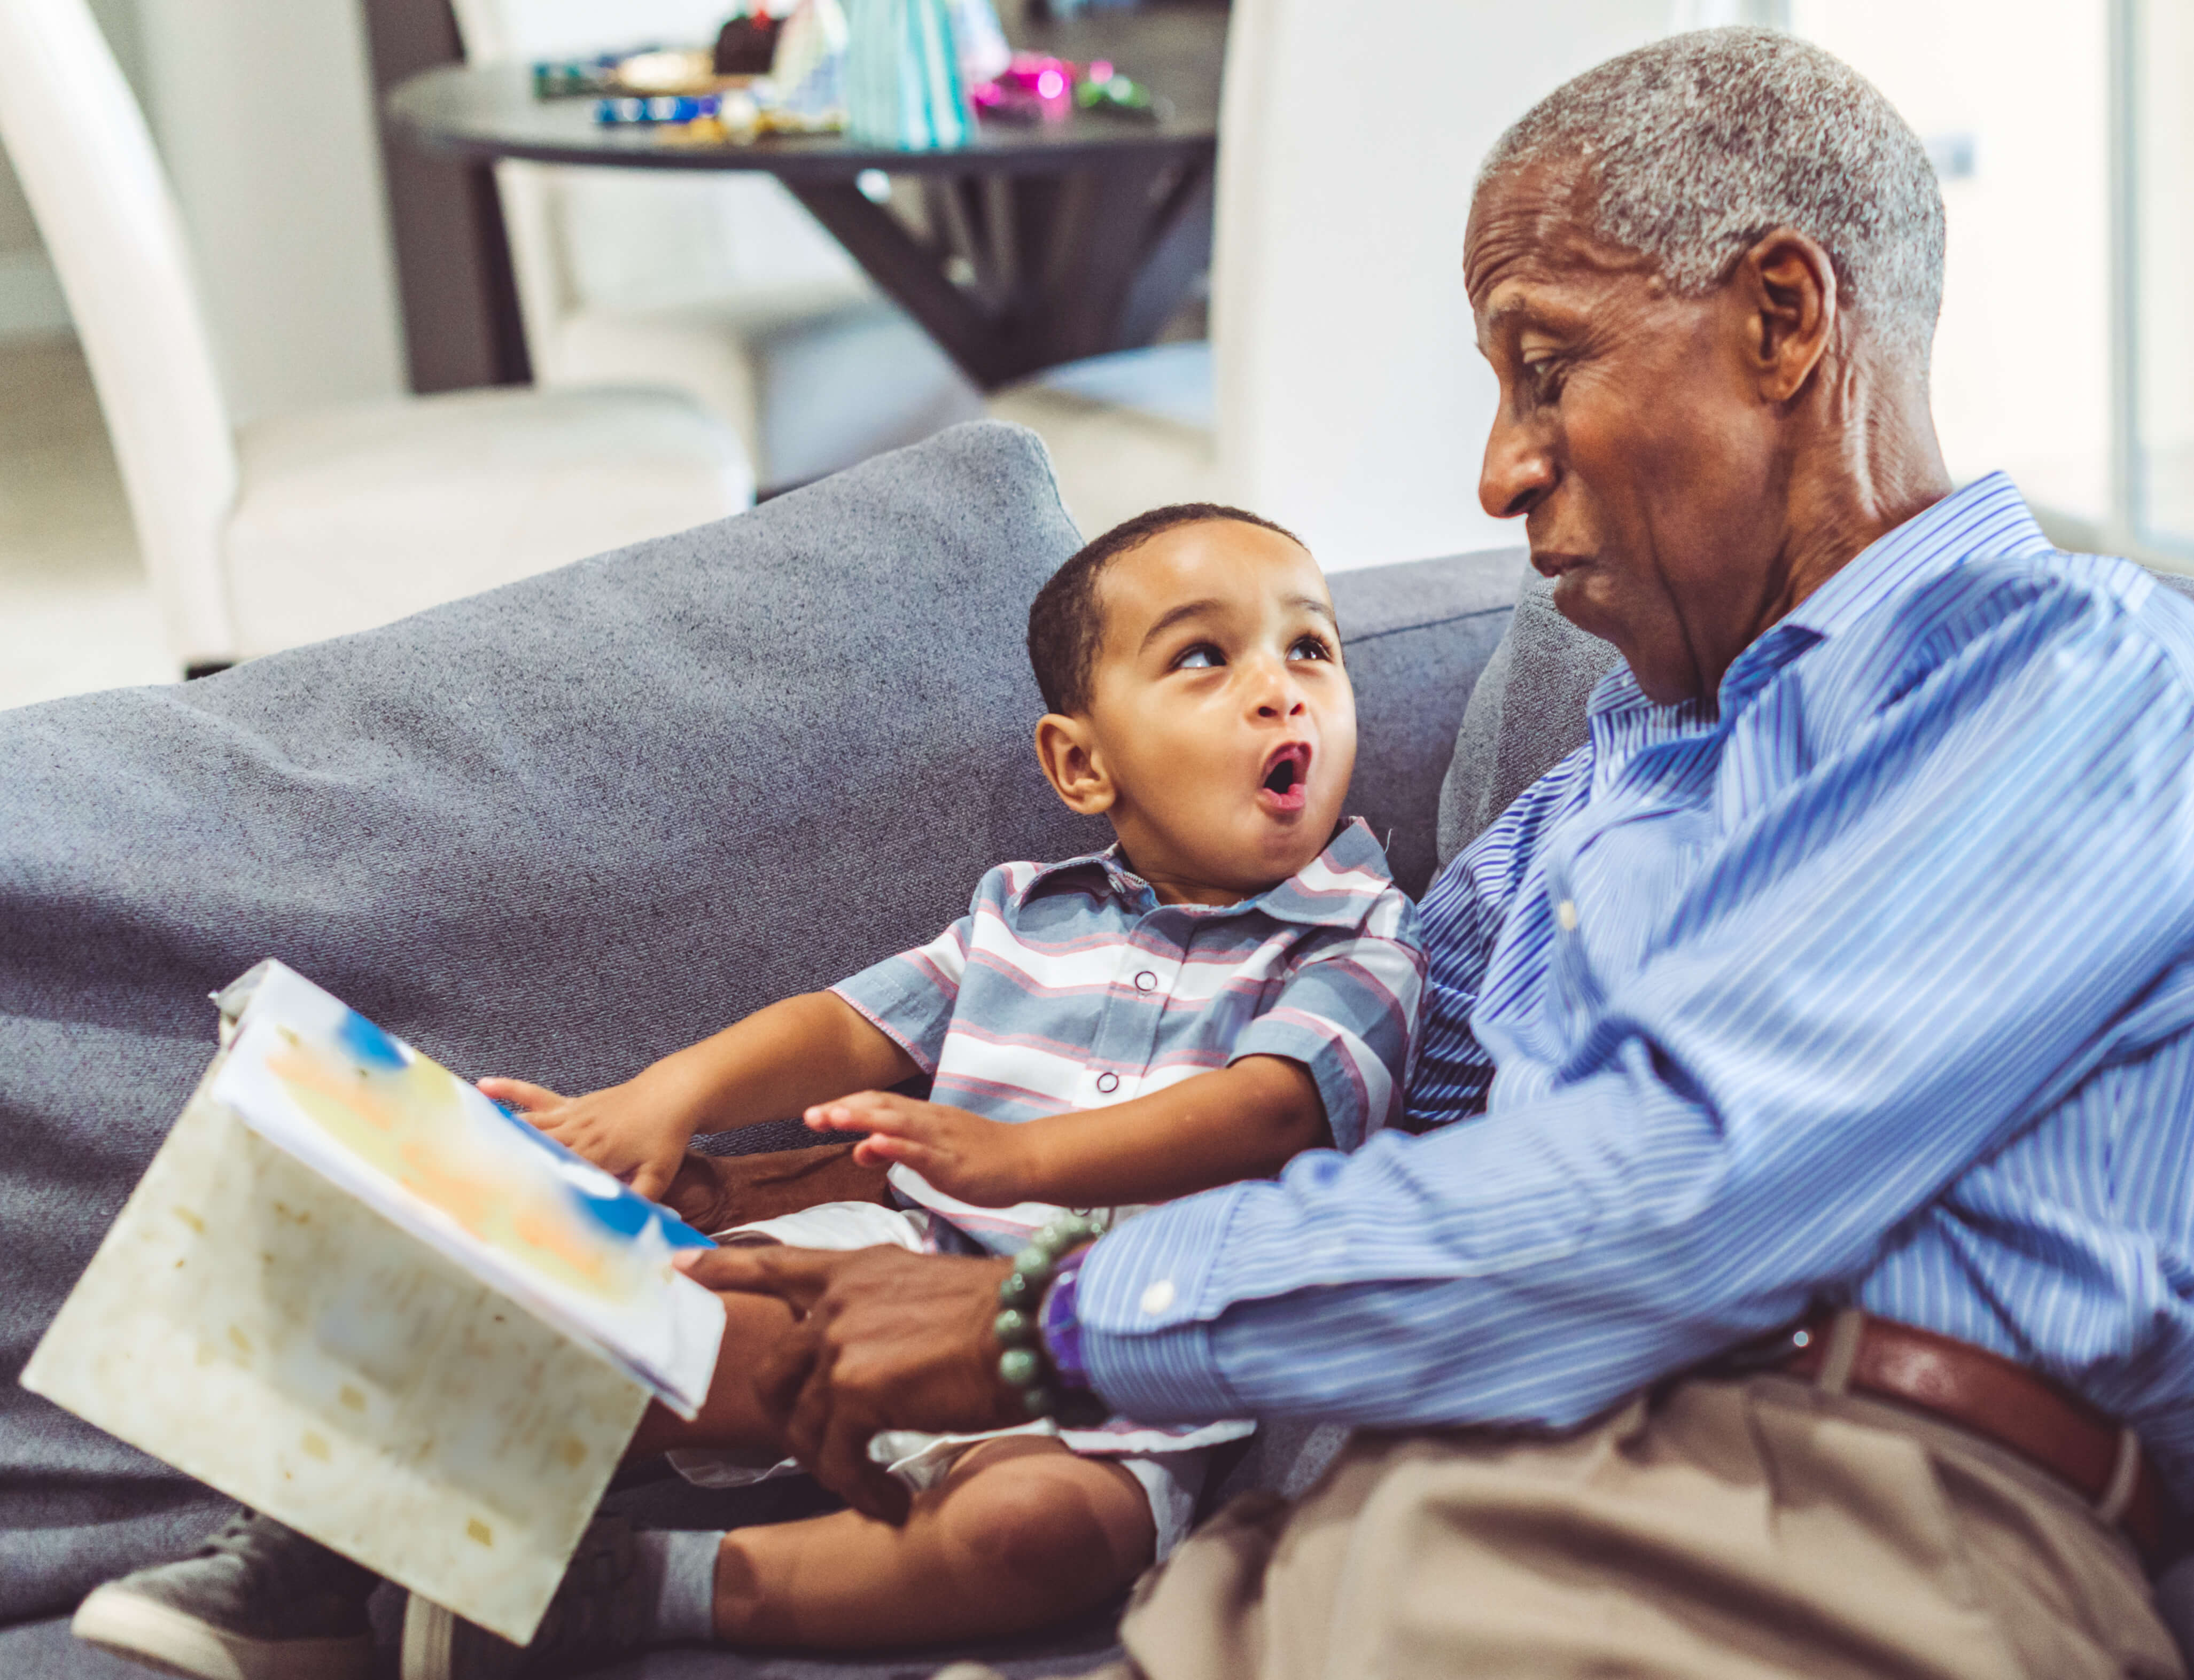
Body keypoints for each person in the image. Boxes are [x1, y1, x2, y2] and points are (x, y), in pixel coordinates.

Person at [667, 27, 2194, 1680]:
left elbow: (1675, 1189)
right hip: (1367, 1522)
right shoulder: (1590, 795)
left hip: (1809, 1519)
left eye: (1547, 368)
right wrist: (793, 1188)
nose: (1496, 470)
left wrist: (1044, 1323)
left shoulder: (2076, 677)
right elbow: (1297, 1099)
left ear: (1782, 319)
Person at [69, 503, 1424, 1680]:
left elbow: (1267, 1113)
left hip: (1113, 1366)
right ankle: (315, 1557)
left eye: (1312, 646)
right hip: (894, 1271)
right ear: (1081, 765)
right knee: (640, 1305)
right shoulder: (1025, 912)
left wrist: (1018, 1161)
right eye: (1206, 656)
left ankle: (624, 1593)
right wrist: (672, 1095)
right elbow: (842, 1025)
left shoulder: (1360, 942)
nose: (1279, 689)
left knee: (1044, 1538)